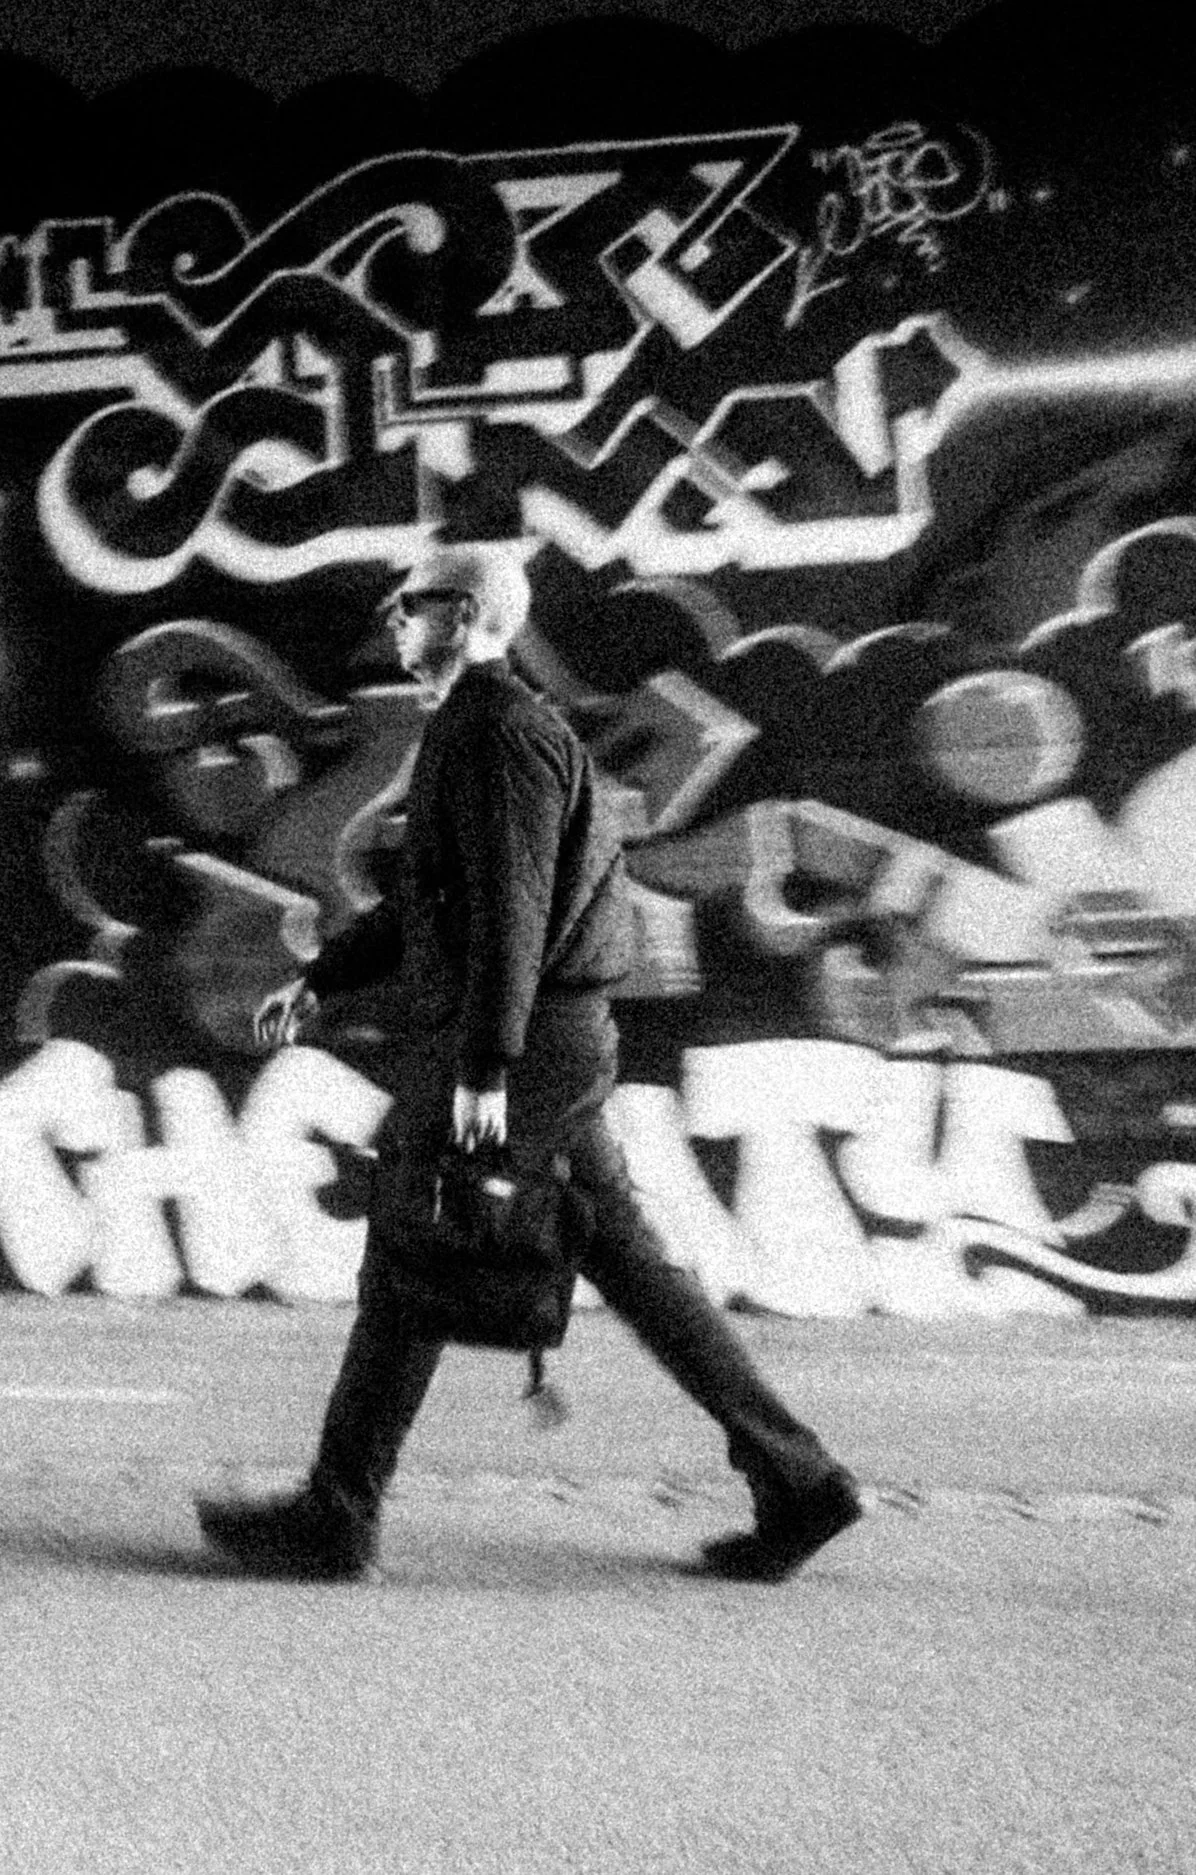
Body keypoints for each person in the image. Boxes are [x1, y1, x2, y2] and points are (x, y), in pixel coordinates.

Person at [195, 543, 862, 1585]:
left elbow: (512, 910)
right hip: (538, 1041)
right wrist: (325, 977)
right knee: (621, 1263)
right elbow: (436, 901)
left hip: (520, 1041)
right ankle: (798, 1479)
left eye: (408, 609)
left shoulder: (500, 734)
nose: (396, 627)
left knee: (412, 1253)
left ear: (459, 616)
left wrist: (483, 1068)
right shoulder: (476, 728)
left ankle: (337, 1514)